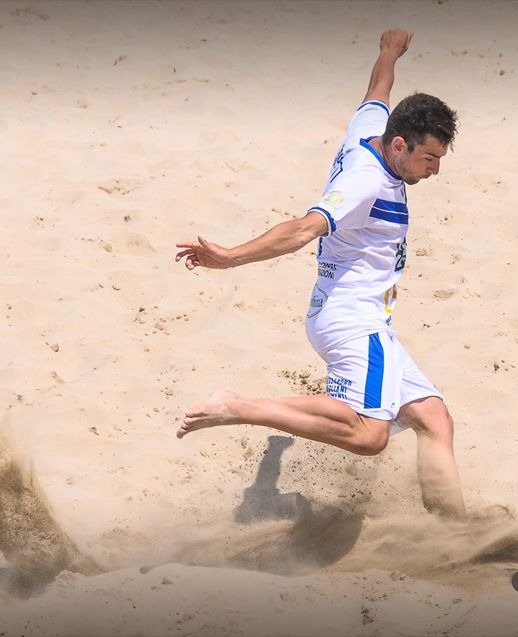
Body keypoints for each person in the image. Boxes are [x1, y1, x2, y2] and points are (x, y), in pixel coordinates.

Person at [175, 28, 465, 518]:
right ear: (399, 145)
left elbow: (377, 92)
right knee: (370, 435)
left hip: (363, 318)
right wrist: (230, 258)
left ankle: (456, 534)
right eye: (429, 157)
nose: (435, 169)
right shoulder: (365, 180)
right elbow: (304, 227)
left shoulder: (369, 132)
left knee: (435, 419)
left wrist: (388, 52)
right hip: (353, 319)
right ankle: (235, 406)